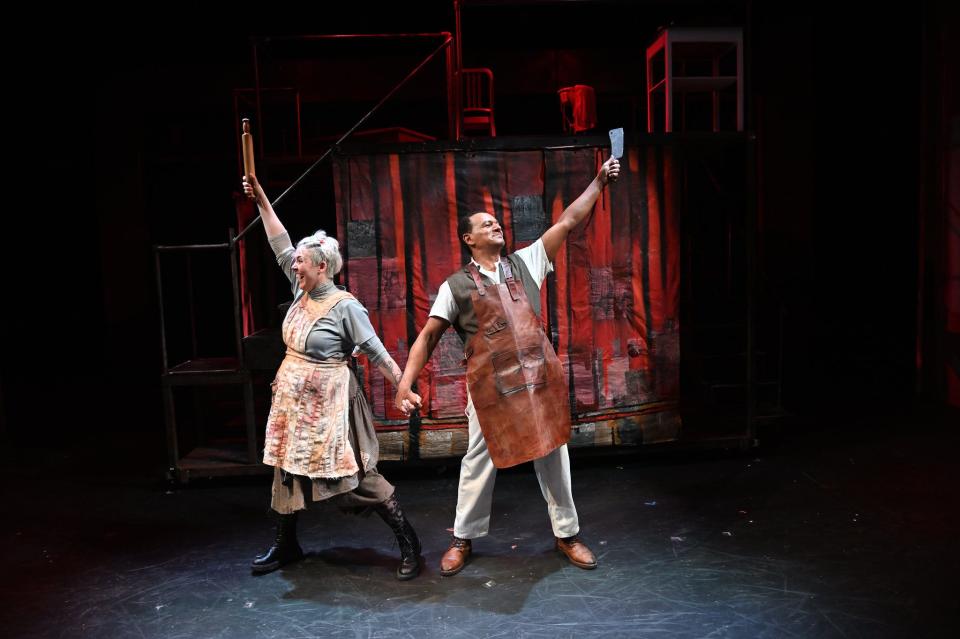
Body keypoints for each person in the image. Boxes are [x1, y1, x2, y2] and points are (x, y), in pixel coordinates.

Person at [394, 155, 620, 576]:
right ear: (468, 238)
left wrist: (598, 182)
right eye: (485, 224)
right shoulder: (456, 286)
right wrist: (405, 384)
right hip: (489, 390)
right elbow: (427, 336)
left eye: (497, 221)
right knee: (479, 458)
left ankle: (567, 533)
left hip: (537, 380)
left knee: (554, 451)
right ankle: (463, 537)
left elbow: (568, 221)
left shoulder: (525, 262)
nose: (496, 225)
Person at [243, 175, 421, 580]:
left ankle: (410, 543)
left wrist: (402, 385)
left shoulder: (345, 306)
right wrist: (261, 196)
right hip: (293, 401)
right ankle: (286, 544)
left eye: (301, 261)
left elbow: (375, 349)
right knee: (287, 470)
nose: (294, 264)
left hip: (331, 403)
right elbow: (279, 241)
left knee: (355, 475)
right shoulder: (299, 289)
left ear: (322, 266)